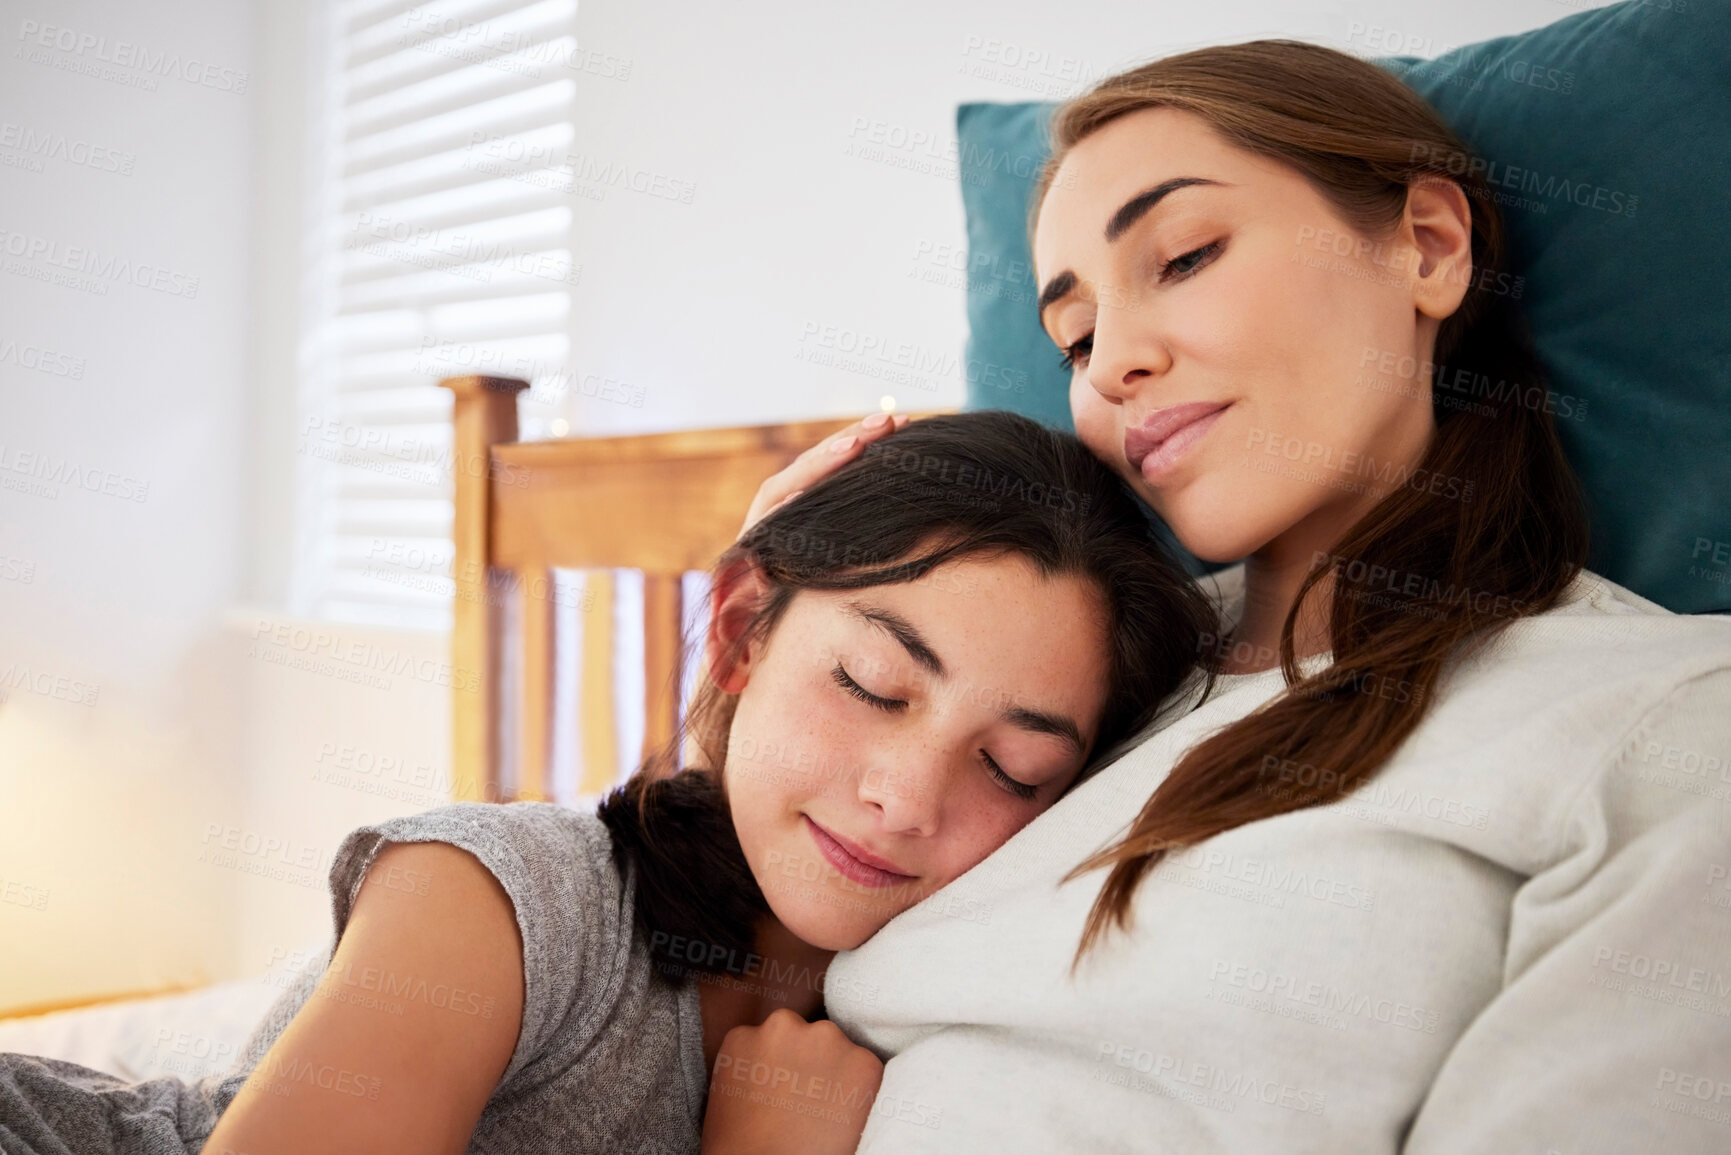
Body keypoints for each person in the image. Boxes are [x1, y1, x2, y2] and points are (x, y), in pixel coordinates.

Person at [705, 39, 1731, 1155]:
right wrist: (774, 628)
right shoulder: (1087, 682)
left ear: (1427, 248)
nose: (1107, 369)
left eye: (1185, 257)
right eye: (1074, 336)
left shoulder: (1663, 723)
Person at [0, 412, 1218, 1154]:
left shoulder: (959, 1008)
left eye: (1012, 767)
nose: (906, 796)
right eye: (869, 684)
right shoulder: (494, 902)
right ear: (740, 632)